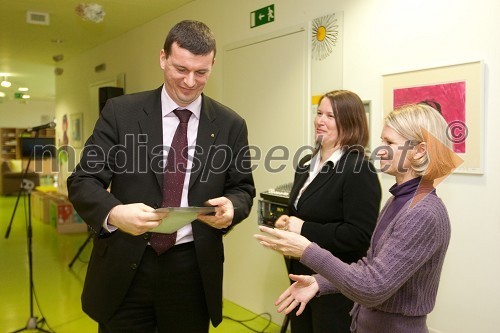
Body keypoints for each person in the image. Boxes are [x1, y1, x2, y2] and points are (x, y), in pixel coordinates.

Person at [67, 20, 255, 333]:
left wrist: (233, 208)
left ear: (212, 65)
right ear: (162, 59)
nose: (191, 82)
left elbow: (243, 188)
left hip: (191, 271)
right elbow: (83, 180)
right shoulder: (121, 113)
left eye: (202, 72)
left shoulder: (230, 124)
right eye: (181, 69)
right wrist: (115, 213)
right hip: (126, 265)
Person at [255, 102, 458, 333]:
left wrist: (307, 250)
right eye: (382, 141)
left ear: (420, 150)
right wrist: (320, 282)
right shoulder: (397, 201)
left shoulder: (423, 213)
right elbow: (370, 267)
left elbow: (372, 288)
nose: (380, 150)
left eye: (389, 143)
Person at [270, 90, 382, 332]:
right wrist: (287, 221)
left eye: (330, 116)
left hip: (336, 286)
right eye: (319, 113)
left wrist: (301, 228)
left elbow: (359, 236)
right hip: (299, 278)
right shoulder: (305, 165)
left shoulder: (359, 169)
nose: (320, 120)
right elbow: (301, 211)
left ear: (350, 122)